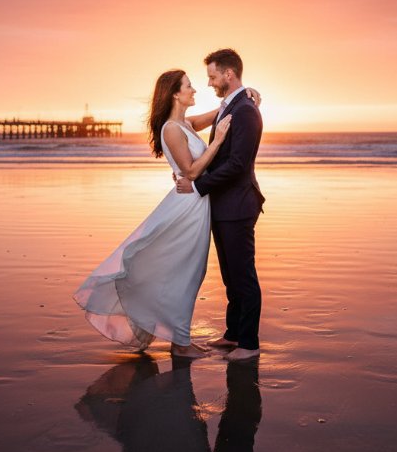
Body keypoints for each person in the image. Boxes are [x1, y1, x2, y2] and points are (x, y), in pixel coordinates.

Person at [74, 69, 259, 358]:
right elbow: (192, 171)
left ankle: (180, 340)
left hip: (196, 206)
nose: (195, 89)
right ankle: (180, 344)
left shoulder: (184, 123)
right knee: (184, 272)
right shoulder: (171, 129)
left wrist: (246, 94)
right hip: (188, 206)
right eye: (188, 86)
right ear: (175, 93)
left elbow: (221, 111)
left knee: (189, 272)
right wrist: (218, 141)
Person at [176, 49, 265, 361]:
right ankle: (233, 334)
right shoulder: (234, 106)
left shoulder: (246, 111)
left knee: (243, 274)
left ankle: (249, 344)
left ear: (229, 74)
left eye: (213, 76)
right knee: (230, 274)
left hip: (239, 205)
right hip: (223, 205)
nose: (210, 82)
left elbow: (238, 165)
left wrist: (197, 185)